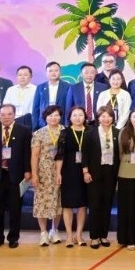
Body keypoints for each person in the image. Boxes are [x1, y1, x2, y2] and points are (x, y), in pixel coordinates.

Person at [0, 104, 32, 249]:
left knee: (15, 209)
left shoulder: (24, 131)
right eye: (3, 114)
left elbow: (27, 153)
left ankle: (13, 238)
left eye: (9, 114)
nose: (6, 117)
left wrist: (28, 170)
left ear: (14, 115)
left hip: (16, 176)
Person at [83, 106, 119, 248]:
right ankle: (94, 237)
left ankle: (103, 235)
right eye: (103, 116)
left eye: (109, 116)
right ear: (98, 118)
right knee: (94, 205)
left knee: (107, 205)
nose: (106, 119)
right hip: (94, 173)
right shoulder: (90, 134)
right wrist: (85, 172)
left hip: (111, 173)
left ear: (113, 118)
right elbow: (85, 154)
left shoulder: (117, 133)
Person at [54, 106, 89, 247]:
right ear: (69, 118)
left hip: (86, 171)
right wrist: (58, 173)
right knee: (67, 204)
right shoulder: (65, 133)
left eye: (80, 115)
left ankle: (79, 235)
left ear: (85, 117)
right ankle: (69, 236)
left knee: (82, 204)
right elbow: (60, 154)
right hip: (68, 171)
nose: (78, 118)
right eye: (74, 115)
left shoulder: (90, 131)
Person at [30, 105, 64, 246]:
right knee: (42, 202)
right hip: (43, 172)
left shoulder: (65, 131)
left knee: (58, 202)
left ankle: (54, 230)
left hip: (61, 171)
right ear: (45, 117)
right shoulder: (39, 133)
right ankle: (43, 233)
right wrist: (34, 174)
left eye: (56, 115)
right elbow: (34, 155)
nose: (53, 118)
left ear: (60, 116)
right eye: (50, 115)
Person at [116, 109, 135, 250]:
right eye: (134, 116)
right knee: (126, 207)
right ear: (130, 118)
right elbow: (120, 153)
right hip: (125, 172)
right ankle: (127, 238)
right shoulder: (123, 132)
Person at [32, 61, 71, 131]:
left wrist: (67, 124)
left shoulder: (68, 87)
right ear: (46, 73)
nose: (53, 73)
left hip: (61, 123)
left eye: (56, 70)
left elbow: (69, 107)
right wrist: (34, 127)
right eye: (50, 71)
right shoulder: (40, 87)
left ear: (60, 72)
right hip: (43, 124)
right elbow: (35, 108)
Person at [65, 62, 108, 126]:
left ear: (95, 74)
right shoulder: (73, 88)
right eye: (86, 72)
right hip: (79, 123)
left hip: (98, 123)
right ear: (81, 74)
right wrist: (67, 125)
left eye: (92, 72)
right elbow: (68, 108)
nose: (89, 75)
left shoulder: (103, 88)